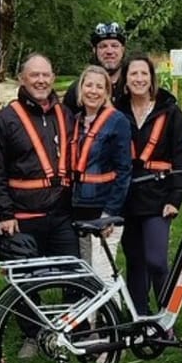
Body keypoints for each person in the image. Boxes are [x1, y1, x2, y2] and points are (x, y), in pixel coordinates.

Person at [0, 53, 77, 358]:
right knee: (27, 280)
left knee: (72, 273)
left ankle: (68, 329)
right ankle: (32, 334)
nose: (41, 81)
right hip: (22, 214)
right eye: (34, 75)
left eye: (46, 75)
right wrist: (4, 213)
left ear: (53, 78)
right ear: (22, 79)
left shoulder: (64, 115)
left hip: (60, 213)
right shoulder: (6, 119)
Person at [117, 53, 182, 317]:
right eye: (133, 74)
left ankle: (167, 316)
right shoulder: (117, 112)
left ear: (152, 79)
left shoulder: (170, 112)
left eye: (143, 74)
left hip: (159, 197)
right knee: (135, 262)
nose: (139, 79)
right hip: (126, 199)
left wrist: (176, 197)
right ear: (125, 80)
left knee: (156, 260)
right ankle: (141, 317)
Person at [70, 65, 132, 281]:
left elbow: (124, 170)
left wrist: (110, 213)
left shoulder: (118, 122)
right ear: (81, 89)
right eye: (88, 85)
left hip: (105, 209)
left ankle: (112, 315)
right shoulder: (75, 122)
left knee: (103, 272)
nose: (93, 91)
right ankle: (91, 316)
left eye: (99, 86)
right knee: (86, 273)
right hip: (79, 207)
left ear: (107, 92)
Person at [63, 22, 127, 113]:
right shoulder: (78, 89)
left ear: (123, 49)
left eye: (114, 46)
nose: (109, 51)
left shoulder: (132, 86)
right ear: (94, 50)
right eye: (103, 46)